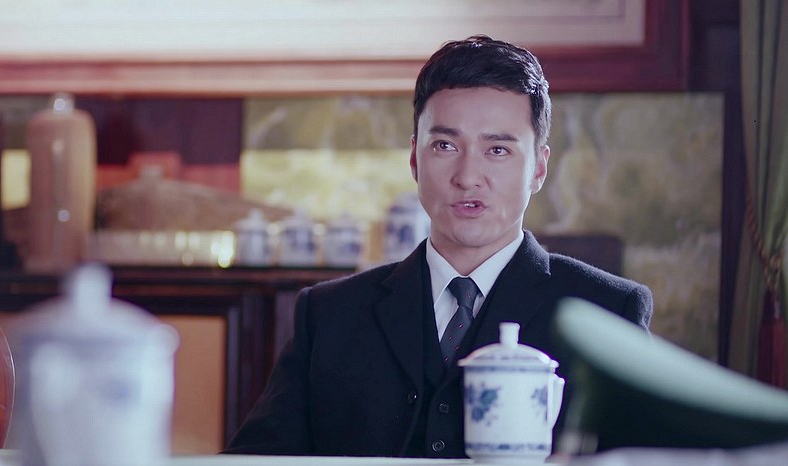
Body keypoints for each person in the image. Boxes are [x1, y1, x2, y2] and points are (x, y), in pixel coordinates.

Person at [224, 35, 653, 458]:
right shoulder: (328, 315)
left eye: (497, 149)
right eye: (445, 145)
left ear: (539, 168)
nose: (467, 176)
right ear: (415, 158)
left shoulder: (608, 312)